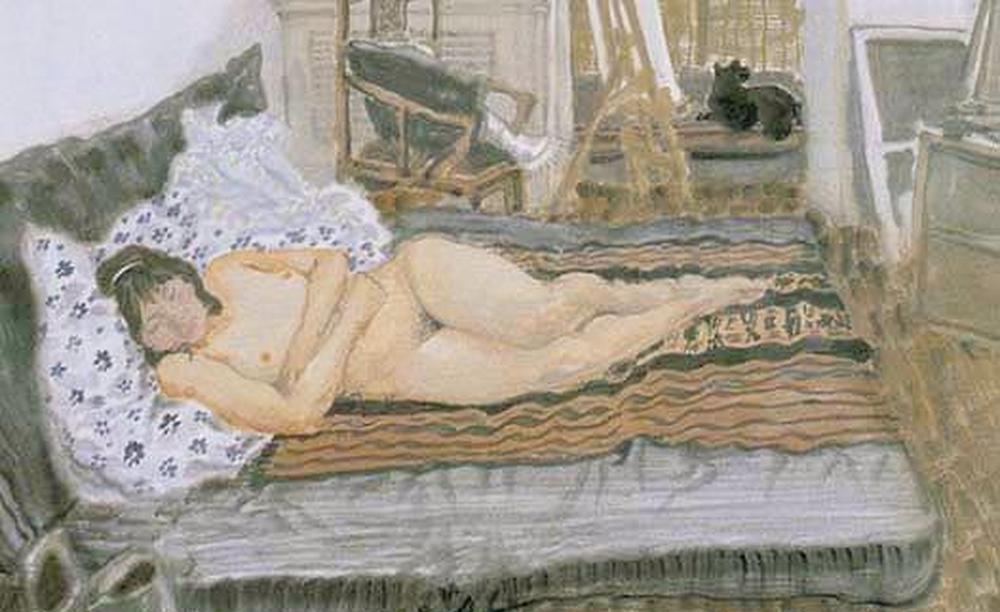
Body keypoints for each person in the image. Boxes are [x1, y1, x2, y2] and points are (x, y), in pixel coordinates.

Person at [97, 237, 769, 435]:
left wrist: (303, 349)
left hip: (413, 280)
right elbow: (299, 415)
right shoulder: (186, 371)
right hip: (400, 364)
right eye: (155, 324)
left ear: (181, 277)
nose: (175, 318)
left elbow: (330, 262)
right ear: (148, 343)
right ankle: (694, 304)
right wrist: (349, 317)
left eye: (169, 295)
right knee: (562, 364)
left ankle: (622, 293)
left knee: (544, 318)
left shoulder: (227, 269)